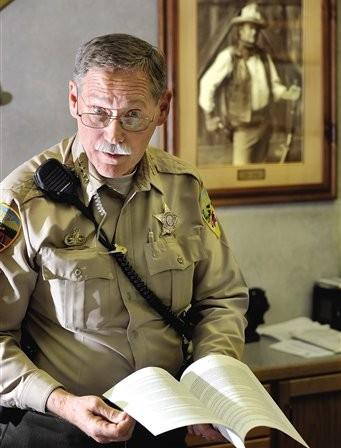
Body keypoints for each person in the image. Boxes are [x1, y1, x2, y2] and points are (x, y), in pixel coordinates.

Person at [0, 33, 248, 447]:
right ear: (74, 101)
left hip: (163, 427)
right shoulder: (22, 200)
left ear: (162, 108)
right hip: (57, 428)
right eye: (97, 113)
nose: (113, 134)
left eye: (133, 115)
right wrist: (60, 401)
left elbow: (222, 299)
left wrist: (211, 377)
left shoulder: (184, 188)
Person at [199, 3, 301, 165]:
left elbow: (274, 86)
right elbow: (206, 84)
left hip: (264, 125)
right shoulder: (229, 56)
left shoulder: (263, 56)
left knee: (261, 173)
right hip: (243, 129)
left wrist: (288, 93)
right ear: (240, 30)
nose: (254, 32)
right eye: (250, 28)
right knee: (240, 174)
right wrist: (209, 116)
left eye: (256, 29)